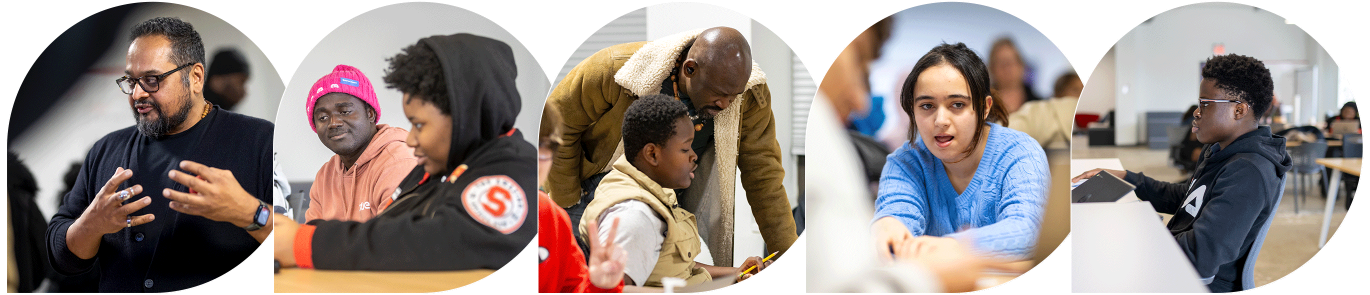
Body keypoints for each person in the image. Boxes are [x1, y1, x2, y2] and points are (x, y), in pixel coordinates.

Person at [45, 17, 274, 292]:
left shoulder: (260, 141)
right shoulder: (105, 150)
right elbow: (62, 257)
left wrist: (248, 211)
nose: (137, 94)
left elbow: (296, 241)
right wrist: (91, 225)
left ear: (196, 77)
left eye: (152, 80)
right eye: (131, 81)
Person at [273, 33, 535, 271]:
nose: (410, 139)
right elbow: (389, 225)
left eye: (418, 125)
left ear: (463, 115)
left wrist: (307, 243)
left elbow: (432, 241)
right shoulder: (440, 171)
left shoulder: (510, 171)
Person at [547, 27, 796, 266]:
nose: (726, 105)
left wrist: (788, 257)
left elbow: (764, 176)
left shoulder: (750, 95)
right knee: (584, 278)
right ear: (690, 69)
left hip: (668, 201)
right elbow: (555, 129)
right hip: (594, 193)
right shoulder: (615, 69)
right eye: (719, 94)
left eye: (734, 96)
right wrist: (568, 201)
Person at [1073, 54, 1291, 292]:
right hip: (1173, 261)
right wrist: (1127, 178)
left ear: (1239, 110)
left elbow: (1200, 257)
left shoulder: (1248, 172)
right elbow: (1189, 198)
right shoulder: (1219, 149)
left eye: (1205, 104)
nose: (1197, 112)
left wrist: (1135, 234)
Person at [871, 43, 1049, 261]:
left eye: (957, 104)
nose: (941, 121)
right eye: (927, 106)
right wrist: (889, 225)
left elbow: (1029, 230)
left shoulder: (1020, 153)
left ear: (984, 107)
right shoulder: (906, 162)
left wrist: (953, 247)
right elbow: (896, 217)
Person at [581, 95, 771, 287]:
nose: (694, 156)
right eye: (685, 149)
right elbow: (618, 290)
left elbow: (672, 267)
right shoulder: (634, 217)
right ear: (652, 154)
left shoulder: (646, 190)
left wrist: (736, 273)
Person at [303, 64, 418, 222]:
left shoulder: (398, 162)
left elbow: (394, 234)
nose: (333, 123)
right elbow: (309, 234)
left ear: (370, 114)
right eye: (323, 117)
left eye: (345, 111)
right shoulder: (325, 176)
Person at [538, 103, 627, 293]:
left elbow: (573, 287)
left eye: (547, 146)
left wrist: (601, 286)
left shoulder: (553, 218)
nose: (537, 157)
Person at [1008, 71, 1081, 149]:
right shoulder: (1038, 111)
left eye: (1083, 90)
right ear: (1058, 93)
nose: (1080, 95)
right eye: (1075, 90)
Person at [987, 37, 1041, 113]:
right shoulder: (981, 107)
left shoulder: (1041, 105)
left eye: (1011, 61)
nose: (1007, 68)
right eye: (1001, 63)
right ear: (992, 69)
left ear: (1021, 66)